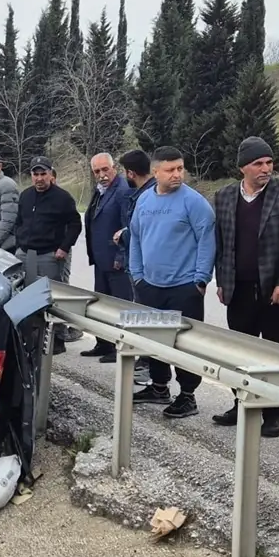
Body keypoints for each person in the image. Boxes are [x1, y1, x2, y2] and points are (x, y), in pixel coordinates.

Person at [211, 137, 279, 437]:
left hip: (277, 292)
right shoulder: (225, 196)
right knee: (240, 352)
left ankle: (273, 412)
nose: (266, 168)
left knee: (276, 354)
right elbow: (222, 243)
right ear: (243, 167)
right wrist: (222, 280)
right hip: (238, 289)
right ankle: (241, 404)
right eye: (258, 163)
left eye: (269, 162)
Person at [128, 146, 217, 419]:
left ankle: (188, 395)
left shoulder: (194, 202)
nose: (177, 174)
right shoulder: (144, 201)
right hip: (150, 285)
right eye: (170, 169)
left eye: (180, 168)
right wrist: (137, 274)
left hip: (184, 287)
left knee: (184, 344)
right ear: (156, 172)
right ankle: (158, 387)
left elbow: (207, 241)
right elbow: (135, 237)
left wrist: (200, 280)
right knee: (154, 340)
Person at [13, 156, 82, 353]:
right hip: (26, 254)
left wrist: (64, 248)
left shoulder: (63, 198)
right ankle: (33, 337)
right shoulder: (25, 195)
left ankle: (59, 339)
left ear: (51, 174)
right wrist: (19, 244)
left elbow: (75, 224)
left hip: (50, 255)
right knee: (28, 297)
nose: (39, 178)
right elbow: (19, 222)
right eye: (36, 174)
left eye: (43, 174)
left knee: (53, 299)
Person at [81, 153, 134, 363]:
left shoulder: (122, 191)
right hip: (101, 259)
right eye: (97, 171)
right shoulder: (100, 191)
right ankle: (103, 343)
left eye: (105, 169)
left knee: (118, 306)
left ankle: (117, 347)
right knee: (101, 304)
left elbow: (126, 227)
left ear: (114, 168)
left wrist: (121, 256)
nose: (102, 175)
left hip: (116, 261)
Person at [115, 149, 157, 385]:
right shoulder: (144, 192)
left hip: (145, 269)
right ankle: (145, 366)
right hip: (140, 266)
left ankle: (148, 369)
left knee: (147, 318)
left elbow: (145, 232)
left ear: (130, 172)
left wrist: (125, 235)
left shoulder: (147, 195)